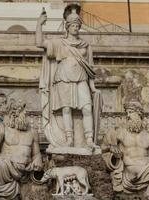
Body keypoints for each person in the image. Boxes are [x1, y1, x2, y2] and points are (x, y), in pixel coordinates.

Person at [36, 4, 101, 149]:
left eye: (78, 25)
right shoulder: (60, 43)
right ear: (67, 27)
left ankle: (89, 139)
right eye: (73, 25)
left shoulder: (86, 45)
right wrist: (39, 24)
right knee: (66, 109)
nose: (76, 28)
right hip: (63, 77)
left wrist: (93, 87)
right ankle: (69, 139)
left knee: (86, 108)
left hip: (81, 77)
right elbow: (39, 43)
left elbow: (90, 69)